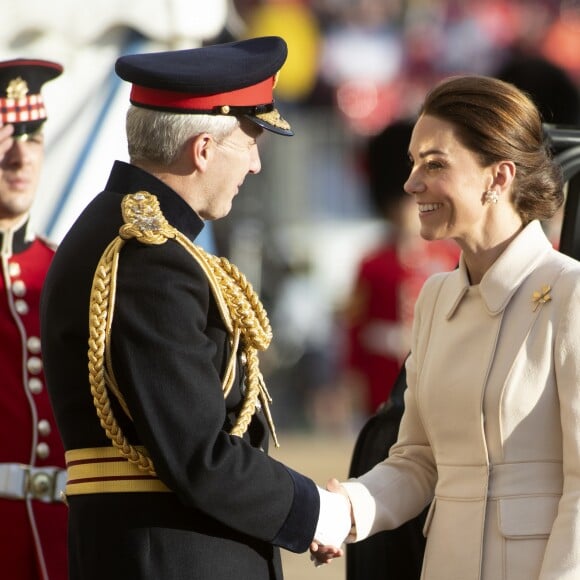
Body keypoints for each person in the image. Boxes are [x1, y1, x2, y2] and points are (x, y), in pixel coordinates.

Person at [39, 36, 350, 580]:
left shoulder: (125, 237)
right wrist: (317, 513)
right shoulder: (150, 260)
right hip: (172, 555)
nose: (255, 164)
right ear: (203, 149)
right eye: (251, 141)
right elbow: (199, 456)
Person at [311, 74, 580, 580]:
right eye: (413, 164)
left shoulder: (571, 294)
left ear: (497, 178)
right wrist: (346, 510)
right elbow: (417, 461)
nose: (412, 183)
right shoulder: (435, 299)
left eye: (434, 164)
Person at [0, 59, 67, 580]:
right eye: (3, 135)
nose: (19, 155)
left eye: (33, 136)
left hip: (65, 539)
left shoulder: (70, 270)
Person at [343, 119, 459, 418]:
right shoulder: (372, 264)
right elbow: (356, 331)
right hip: (383, 387)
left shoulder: (449, 257)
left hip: (439, 384)